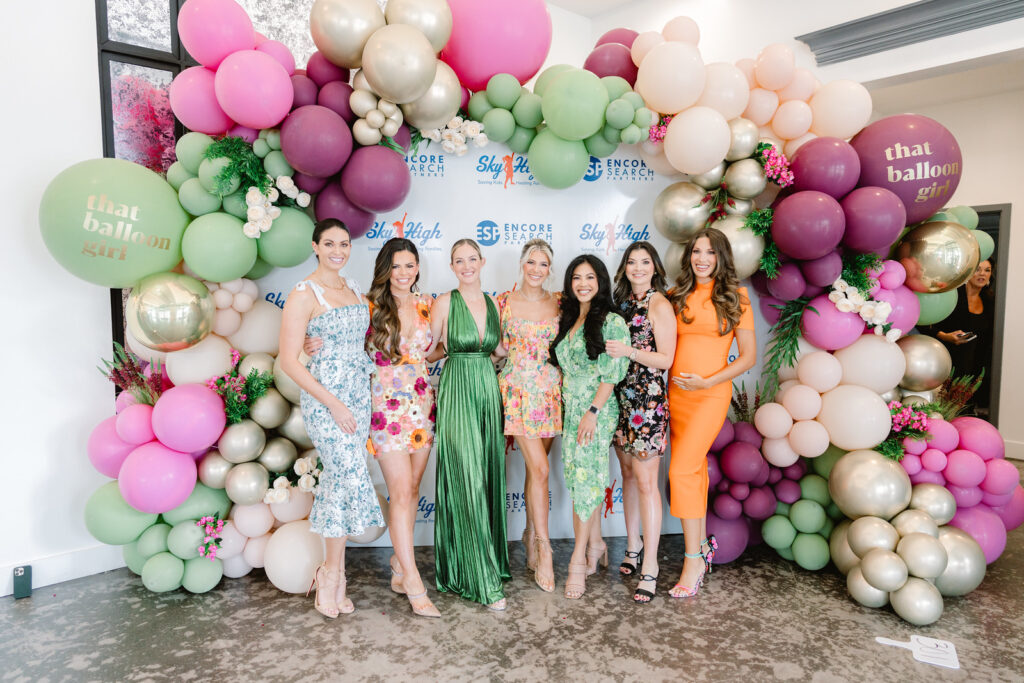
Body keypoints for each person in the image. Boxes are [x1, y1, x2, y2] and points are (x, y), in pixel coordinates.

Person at [278, 219, 384, 619]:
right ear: (315, 246)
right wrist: (333, 404)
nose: (338, 250)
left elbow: (356, 343)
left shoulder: (354, 289)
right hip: (327, 402)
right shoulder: (304, 294)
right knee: (343, 476)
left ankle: (333, 575)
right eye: (330, 243)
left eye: (344, 243)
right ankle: (330, 576)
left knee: (340, 483)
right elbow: (290, 360)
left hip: (359, 395)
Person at [667, 228, 756, 599]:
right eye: (696, 252)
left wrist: (708, 382)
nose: (702, 259)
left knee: (681, 469)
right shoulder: (675, 295)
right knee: (696, 468)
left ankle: (692, 560)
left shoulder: (737, 297)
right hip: (674, 397)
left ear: (722, 257)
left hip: (709, 396)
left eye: (710, 253)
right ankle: (702, 547)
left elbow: (748, 357)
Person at [429, 239, 511, 610]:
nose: (466, 266)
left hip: (486, 390)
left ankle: (482, 561)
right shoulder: (444, 303)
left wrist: (510, 351)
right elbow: (430, 351)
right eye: (458, 260)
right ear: (451, 266)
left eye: (471, 259)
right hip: (457, 388)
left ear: (482, 261)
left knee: (488, 473)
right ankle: (480, 578)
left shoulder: (494, 303)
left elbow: (495, 353)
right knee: (467, 476)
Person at [549, 255, 630, 599]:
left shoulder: (611, 321)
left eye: (590, 277)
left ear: (601, 282)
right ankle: (596, 544)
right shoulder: (569, 318)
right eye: (577, 277)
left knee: (585, 481)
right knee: (583, 478)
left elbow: (613, 373)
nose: (583, 283)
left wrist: (593, 411)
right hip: (572, 411)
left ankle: (578, 563)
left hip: (595, 411)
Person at [605, 242, 676, 603]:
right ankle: (632, 547)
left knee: (649, 483)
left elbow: (666, 359)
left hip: (646, 402)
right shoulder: (622, 304)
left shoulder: (658, 303)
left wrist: (629, 351)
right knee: (629, 475)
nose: (637, 267)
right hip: (621, 398)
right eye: (631, 262)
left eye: (644, 262)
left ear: (655, 267)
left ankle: (651, 564)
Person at [494, 239, 561, 593]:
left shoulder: (559, 302)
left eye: (543, 264)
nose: (536, 269)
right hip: (517, 391)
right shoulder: (502, 302)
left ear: (550, 268)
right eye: (531, 262)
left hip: (550, 392)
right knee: (541, 469)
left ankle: (531, 533)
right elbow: (494, 347)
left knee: (539, 470)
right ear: (522, 263)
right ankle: (545, 550)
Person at [932, 259, 995, 413]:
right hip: (945, 366)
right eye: (977, 269)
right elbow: (925, 323)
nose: (982, 274)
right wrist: (945, 336)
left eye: (987, 270)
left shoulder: (990, 301)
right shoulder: (953, 295)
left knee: (965, 414)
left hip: (973, 371)